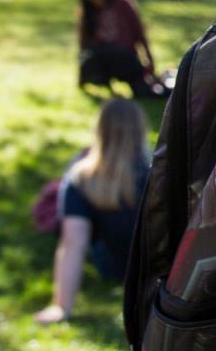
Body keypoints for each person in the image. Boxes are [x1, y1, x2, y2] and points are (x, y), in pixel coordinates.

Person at [34, 98, 150, 325]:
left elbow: (73, 243)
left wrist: (61, 306)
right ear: (141, 129)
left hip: (114, 266)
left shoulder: (80, 179)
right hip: (161, 271)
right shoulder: (160, 173)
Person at [77, 0, 165, 99]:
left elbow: (139, 34)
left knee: (144, 92)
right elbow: (83, 46)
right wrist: (82, 77)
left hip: (125, 58)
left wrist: (150, 65)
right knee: (97, 53)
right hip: (102, 60)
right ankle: (105, 84)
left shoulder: (121, 3)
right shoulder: (88, 13)